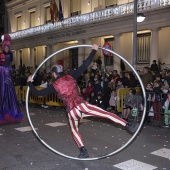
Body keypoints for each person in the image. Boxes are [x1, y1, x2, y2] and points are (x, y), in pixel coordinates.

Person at [27, 44, 139, 159]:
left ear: (54, 74)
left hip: (71, 112)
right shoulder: (71, 76)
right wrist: (94, 51)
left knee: (74, 130)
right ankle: (128, 125)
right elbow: (85, 65)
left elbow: (37, 93)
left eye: (52, 74)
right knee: (105, 114)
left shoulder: (53, 86)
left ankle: (83, 150)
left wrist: (29, 82)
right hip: (82, 106)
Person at [0, 34, 24, 124]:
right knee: (3, 92)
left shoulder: (10, 54)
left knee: (10, 92)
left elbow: (10, 65)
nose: (7, 48)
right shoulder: (2, 55)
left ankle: (12, 112)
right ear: (3, 46)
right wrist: (4, 70)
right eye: (5, 46)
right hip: (3, 75)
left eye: (8, 47)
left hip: (8, 75)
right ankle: (3, 111)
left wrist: (9, 70)